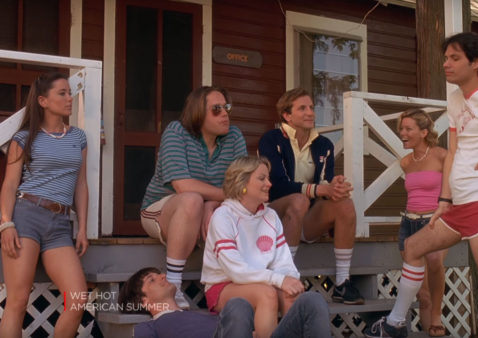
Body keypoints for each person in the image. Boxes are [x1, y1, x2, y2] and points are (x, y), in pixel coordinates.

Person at [366, 32, 478, 338]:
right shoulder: (456, 98)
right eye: (445, 58)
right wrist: (444, 199)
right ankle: (395, 324)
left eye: (454, 58)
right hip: (459, 205)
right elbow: (454, 151)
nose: (446, 64)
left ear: (476, 62)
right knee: (414, 247)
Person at [140, 86, 247, 308]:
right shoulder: (177, 132)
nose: (225, 113)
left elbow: (242, 187)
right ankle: (174, 284)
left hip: (205, 210)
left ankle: (234, 283)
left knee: (246, 207)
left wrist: (213, 203)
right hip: (160, 211)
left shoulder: (234, 136)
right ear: (198, 112)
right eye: (216, 109)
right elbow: (182, 185)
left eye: (226, 107)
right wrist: (214, 200)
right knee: (191, 199)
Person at [201, 156, 330, 338]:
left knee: (290, 294)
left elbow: (283, 261)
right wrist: (278, 280)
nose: (269, 184)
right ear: (242, 182)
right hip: (224, 285)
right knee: (266, 294)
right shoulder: (223, 216)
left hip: (261, 280)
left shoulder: (270, 216)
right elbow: (235, 270)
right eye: (262, 179)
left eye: (268, 178)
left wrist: (290, 280)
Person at [0, 72, 89, 337]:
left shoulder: (79, 138)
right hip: (26, 216)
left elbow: (81, 185)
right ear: (43, 100)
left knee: (78, 298)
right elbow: (9, 185)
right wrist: (6, 223)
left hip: (60, 225)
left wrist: (82, 227)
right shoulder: (24, 138)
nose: (69, 98)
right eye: (62, 93)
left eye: (69, 92)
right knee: (17, 302)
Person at [258, 88, 364, 305]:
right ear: (287, 116)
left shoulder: (324, 145)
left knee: (344, 203)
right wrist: (319, 190)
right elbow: (276, 186)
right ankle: (286, 275)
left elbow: (324, 184)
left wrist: (334, 186)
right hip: (273, 218)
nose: (310, 113)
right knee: (299, 199)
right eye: (302, 108)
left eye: (312, 108)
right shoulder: (271, 139)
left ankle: (342, 283)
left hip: (306, 217)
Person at [119, 267, 331, 338]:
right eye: (152, 280)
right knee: (238, 305)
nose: (162, 276)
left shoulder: (202, 316)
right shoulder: (150, 326)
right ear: (143, 301)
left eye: (160, 274)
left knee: (311, 301)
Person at [396, 109, 448, 337]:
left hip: (434, 221)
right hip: (408, 224)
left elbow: (452, 190)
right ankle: (431, 328)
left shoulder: (442, 156)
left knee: (435, 261)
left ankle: (437, 315)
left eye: (408, 129)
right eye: (401, 129)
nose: (402, 133)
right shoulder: (406, 162)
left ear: (424, 132)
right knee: (422, 291)